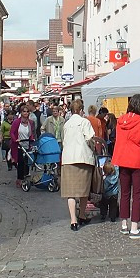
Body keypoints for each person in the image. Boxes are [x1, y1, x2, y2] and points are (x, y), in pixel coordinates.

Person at [112, 94, 140, 238]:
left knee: (124, 193)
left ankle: (124, 224)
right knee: (137, 195)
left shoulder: (120, 121)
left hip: (122, 159)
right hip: (137, 160)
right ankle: (135, 227)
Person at [60, 99, 96, 231]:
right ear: (81, 110)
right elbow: (90, 139)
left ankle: (73, 220)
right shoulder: (84, 121)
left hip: (68, 159)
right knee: (83, 190)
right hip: (82, 158)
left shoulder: (67, 124)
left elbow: (64, 141)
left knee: (71, 192)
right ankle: (81, 215)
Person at [10, 104, 36, 184]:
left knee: (27, 162)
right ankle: (20, 179)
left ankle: (25, 177)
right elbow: (12, 132)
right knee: (20, 162)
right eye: (24, 111)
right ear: (21, 112)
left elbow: (31, 133)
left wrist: (32, 139)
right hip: (18, 145)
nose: (26, 113)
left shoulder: (30, 122)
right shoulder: (16, 122)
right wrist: (15, 139)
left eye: (27, 111)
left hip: (27, 144)